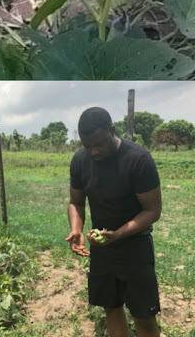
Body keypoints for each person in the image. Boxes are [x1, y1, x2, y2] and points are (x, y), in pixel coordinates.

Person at [66, 107, 162, 337]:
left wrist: (118, 234)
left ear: (112, 130)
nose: (94, 151)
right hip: (102, 249)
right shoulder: (80, 161)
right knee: (111, 308)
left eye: (99, 143)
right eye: (87, 145)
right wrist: (76, 229)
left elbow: (152, 210)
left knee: (144, 317)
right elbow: (76, 202)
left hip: (135, 247)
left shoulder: (138, 160)